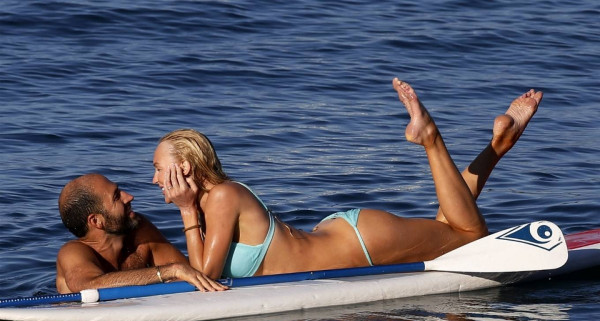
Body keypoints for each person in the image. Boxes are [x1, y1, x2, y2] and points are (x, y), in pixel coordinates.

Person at [152, 79, 543, 280]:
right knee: (450, 227)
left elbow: (205, 276)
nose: (154, 179)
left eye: (158, 168)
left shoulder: (223, 196)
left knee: (470, 239)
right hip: (342, 237)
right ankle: (500, 144)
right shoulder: (213, 203)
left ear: (184, 168)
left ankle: (430, 138)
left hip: (360, 243)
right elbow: (202, 271)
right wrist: (190, 211)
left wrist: (186, 211)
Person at [56, 174, 227, 294]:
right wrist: (169, 272)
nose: (129, 197)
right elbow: (89, 285)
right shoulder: (72, 253)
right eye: (116, 197)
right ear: (96, 221)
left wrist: (189, 210)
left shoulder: (139, 229)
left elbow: (191, 274)